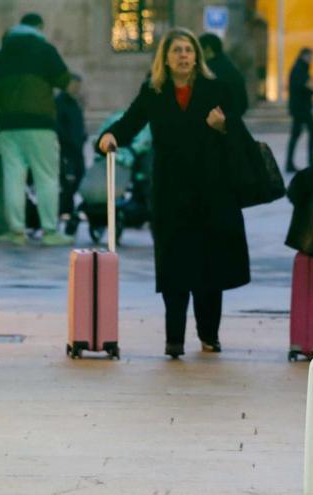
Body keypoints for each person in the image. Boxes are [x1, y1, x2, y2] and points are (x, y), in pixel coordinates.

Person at [97, 27, 251, 359]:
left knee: (209, 268)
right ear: (164, 59)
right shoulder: (154, 91)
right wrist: (109, 137)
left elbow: (240, 136)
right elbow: (129, 122)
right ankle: (174, 339)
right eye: (177, 50)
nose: (183, 55)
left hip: (211, 192)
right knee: (174, 265)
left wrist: (222, 127)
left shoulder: (216, 89)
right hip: (170, 191)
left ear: (197, 56)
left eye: (188, 50)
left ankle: (209, 334)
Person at [0, 12, 73, 246]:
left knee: (14, 178)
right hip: (39, 124)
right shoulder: (44, 49)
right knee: (45, 176)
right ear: (39, 27)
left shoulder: (1, 55)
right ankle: (49, 231)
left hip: (8, 126)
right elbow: (64, 80)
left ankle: (16, 231)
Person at [55, 74, 87, 221]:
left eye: (78, 86)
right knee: (67, 180)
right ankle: (64, 208)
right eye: (74, 85)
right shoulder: (59, 102)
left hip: (77, 149)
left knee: (79, 175)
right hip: (66, 150)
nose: (76, 88)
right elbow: (59, 126)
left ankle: (67, 207)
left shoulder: (75, 103)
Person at [198, 33, 249, 116]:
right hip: (233, 119)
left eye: (198, 49)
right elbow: (244, 103)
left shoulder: (208, 71)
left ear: (207, 49)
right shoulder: (230, 67)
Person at [285, 47, 313, 173]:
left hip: (300, 107)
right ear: (303, 56)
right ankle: (308, 160)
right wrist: (310, 90)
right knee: (312, 130)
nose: (311, 59)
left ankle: (290, 162)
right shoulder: (299, 69)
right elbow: (301, 87)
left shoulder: (300, 68)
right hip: (301, 107)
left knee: (296, 134)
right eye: (309, 56)